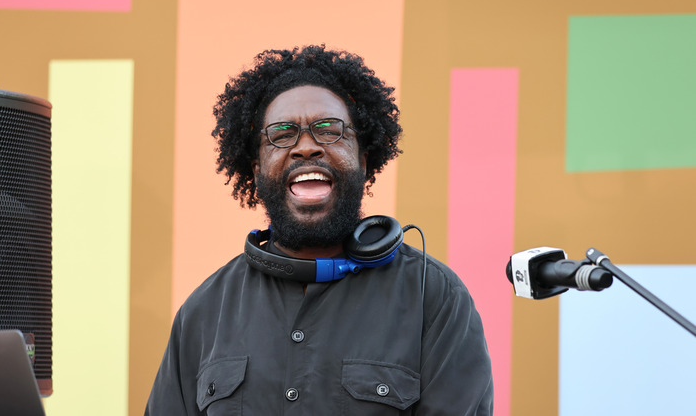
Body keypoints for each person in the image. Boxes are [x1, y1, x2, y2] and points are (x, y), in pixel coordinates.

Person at [145, 45, 493, 415]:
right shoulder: (203, 312)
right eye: (282, 134)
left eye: (329, 131)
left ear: (362, 160)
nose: (306, 147)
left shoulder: (435, 297)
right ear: (258, 169)